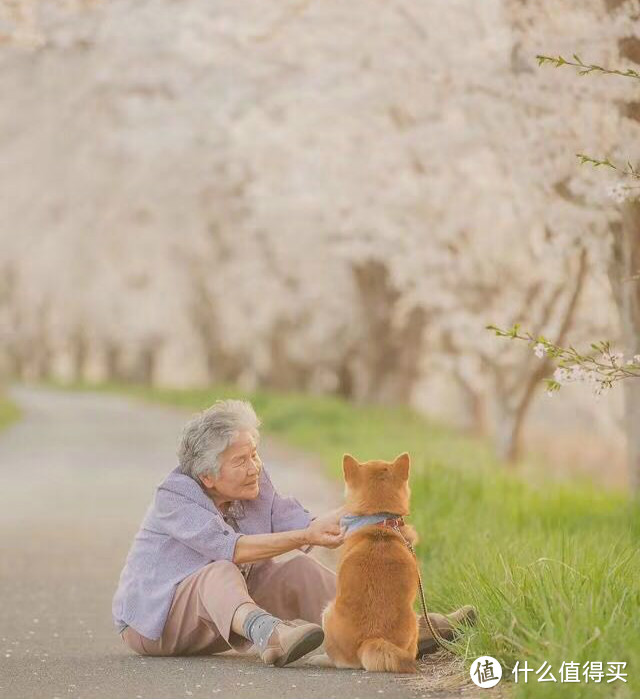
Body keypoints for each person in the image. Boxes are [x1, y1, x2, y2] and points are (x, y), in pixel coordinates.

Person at [113, 399, 473, 667]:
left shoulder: (254, 484)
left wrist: (376, 517)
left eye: (254, 454)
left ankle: (392, 629)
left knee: (296, 571)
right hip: (157, 625)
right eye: (241, 461)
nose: (254, 467)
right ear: (207, 476)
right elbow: (231, 549)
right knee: (219, 569)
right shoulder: (175, 496)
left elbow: (303, 523)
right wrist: (307, 537)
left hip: (222, 611)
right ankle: (270, 634)